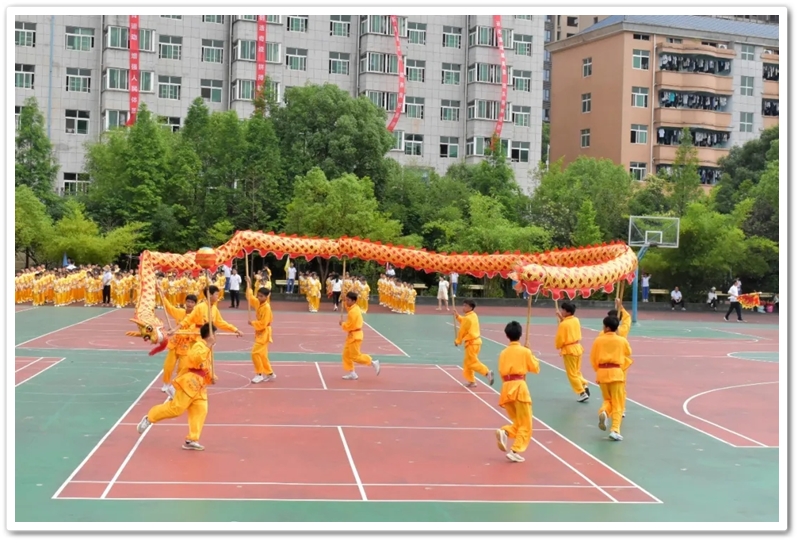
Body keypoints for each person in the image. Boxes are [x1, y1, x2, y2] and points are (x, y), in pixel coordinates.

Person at [137, 323, 218, 451]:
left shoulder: (208, 349)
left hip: (200, 387)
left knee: (200, 410)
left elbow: (205, 367)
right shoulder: (199, 345)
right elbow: (196, 359)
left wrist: (212, 377)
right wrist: (208, 345)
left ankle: (192, 439)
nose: (216, 337)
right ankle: (150, 417)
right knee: (176, 409)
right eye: (215, 334)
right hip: (190, 383)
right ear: (210, 335)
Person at [494, 321, 540, 463]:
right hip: (519, 388)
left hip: (506, 387)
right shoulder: (525, 351)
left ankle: (505, 432)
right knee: (526, 424)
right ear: (520, 334)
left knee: (519, 423)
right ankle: (515, 450)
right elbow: (535, 368)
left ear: (507, 335)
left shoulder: (503, 353)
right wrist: (530, 353)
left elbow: (501, 371)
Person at [590, 316, 633, 441]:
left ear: (607, 327)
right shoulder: (622, 340)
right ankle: (615, 430)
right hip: (616, 373)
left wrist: (598, 370)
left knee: (608, 399)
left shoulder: (598, 340)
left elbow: (593, 358)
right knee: (618, 403)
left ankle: (604, 411)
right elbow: (628, 352)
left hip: (602, 373)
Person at [157, 282, 198, 398]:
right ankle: (166, 383)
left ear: (195, 304)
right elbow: (169, 307)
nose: (189, 304)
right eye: (188, 301)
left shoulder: (196, 317)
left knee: (182, 368)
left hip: (186, 345)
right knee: (168, 365)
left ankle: (176, 386)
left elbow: (190, 331)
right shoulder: (180, 312)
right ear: (185, 302)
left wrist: (175, 331)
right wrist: (161, 293)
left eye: (192, 302)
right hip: (175, 343)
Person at [454, 299, 494, 387]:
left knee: (472, 362)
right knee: (467, 363)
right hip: (476, 342)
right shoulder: (473, 315)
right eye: (463, 305)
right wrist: (458, 316)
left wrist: (458, 341)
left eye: (466, 306)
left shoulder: (468, 318)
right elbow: (465, 322)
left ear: (471, 307)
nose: (463, 307)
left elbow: (462, 331)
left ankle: (487, 373)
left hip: (471, 343)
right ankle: (471, 381)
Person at [340, 291, 380, 380]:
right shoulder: (354, 307)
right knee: (346, 355)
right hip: (352, 335)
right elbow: (348, 308)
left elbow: (350, 325)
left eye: (348, 300)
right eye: (346, 299)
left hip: (355, 336)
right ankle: (352, 373)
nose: (347, 301)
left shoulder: (353, 312)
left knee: (355, 356)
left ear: (353, 301)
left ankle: (372, 362)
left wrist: (342, 324)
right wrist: (344, 301)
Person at [555, 301, 589, 402]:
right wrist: (561, 318)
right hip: (577, 348)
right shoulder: (576, 320)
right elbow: (568, 325)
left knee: (572, 373)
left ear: (568, 312)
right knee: (576, 371)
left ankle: (581, 392)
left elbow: (560, 338)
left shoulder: (563, 324)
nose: (562, 311)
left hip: (569, 350)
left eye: (563, 310)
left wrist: (558, 346)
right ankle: (583, 384)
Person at [245, 276, 276, 384]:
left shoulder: (267, 308)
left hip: (264, 332)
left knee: (255, 353)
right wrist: (249, 284)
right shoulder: (258, 302)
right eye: (258, 295)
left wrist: (253, 323)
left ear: (267, 297)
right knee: (262, 354)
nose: (258, 297)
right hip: (260, 332)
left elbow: (263, 324)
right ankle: (269, 372)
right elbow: (250, 297)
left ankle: (259, 374)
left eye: (261, 296)